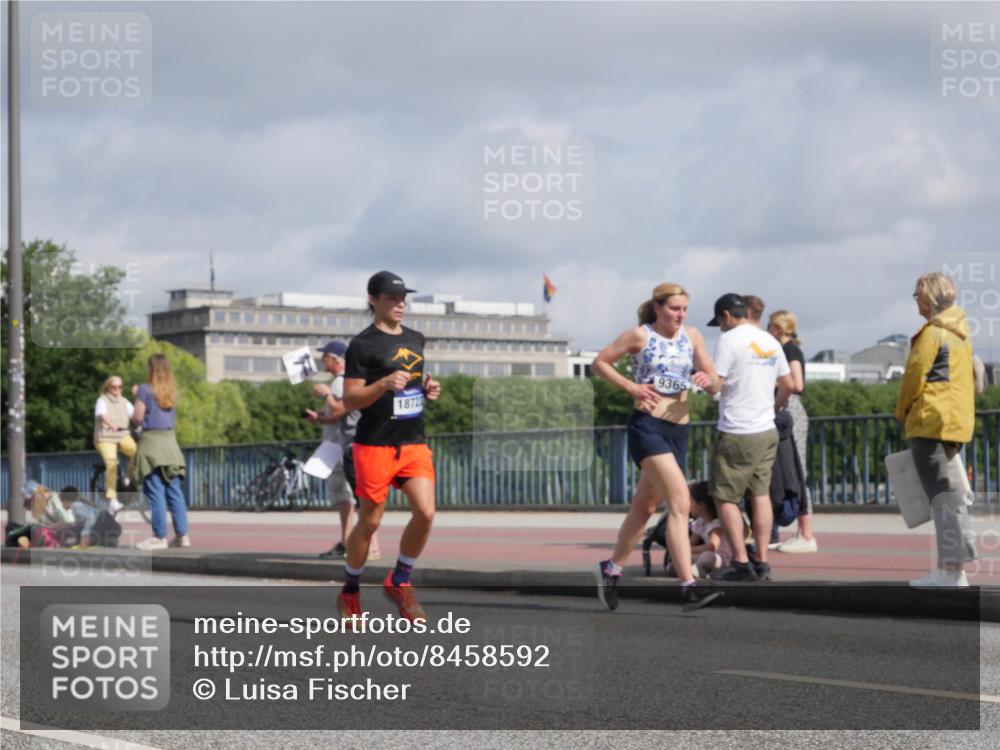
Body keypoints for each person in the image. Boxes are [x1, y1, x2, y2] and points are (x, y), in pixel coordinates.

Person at [592, 282, 723, 613]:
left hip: (678, 431)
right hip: (647, 428)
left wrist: (709, 382)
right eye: (674, 309)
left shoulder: (691, 336)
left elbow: (715, 379)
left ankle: (611, 569)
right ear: (657, 308)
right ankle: (687, 588)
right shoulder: (641, 336)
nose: (680, 315)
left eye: (684, 309)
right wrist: (632, 387)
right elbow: (600, 363)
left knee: (645, 508)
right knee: (680, 501)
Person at [338, 271, 441, 622]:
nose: (400, 304)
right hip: (375, 445)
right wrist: (382, 384)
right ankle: (350, 590)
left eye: (403, 298)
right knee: (370, 523)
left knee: (426, 513)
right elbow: (350, 400)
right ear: (373, 300)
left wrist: (427, 389)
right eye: (392, 298)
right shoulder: (362, 345)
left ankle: (400, 580)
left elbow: (412, 383)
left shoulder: (416, 338)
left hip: (413, 441)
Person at [701, 293, 795, 581]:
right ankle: (763, 561)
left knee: (725, 498)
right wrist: (771, 407)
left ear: (726, 316)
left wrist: (705, 381)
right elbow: (789, 384)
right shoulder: (769, 340)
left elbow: (716, 385)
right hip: (766, 429)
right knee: (760, 494)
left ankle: (741, 563)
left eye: (720, 322)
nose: (721, 328)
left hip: (737, 430)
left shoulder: (729, 340)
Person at [897, 273, 977, 588]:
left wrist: (902, 411)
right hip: (956, 422)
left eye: (917, 295)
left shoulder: (932, 334)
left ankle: (950, 570)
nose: (916, 301)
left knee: (941, 497)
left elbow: (914, 376)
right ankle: (955, 568)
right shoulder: (961, 333)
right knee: (951, 495)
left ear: (929, 298)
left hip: (930, 421)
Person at [307, 340, 381, 561]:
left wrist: (325, 394)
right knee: (358, 497)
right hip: (349, 444)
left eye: (324, 357)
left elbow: (341, 408)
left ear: (335, 359)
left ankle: (360, 544)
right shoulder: (349, 380)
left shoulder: (341, 382)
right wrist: (320, 417)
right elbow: (338, 414)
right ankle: (353, 542)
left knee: (349, 497)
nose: (322, 361)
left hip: (343, 446)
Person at [766, 310, 818, 553]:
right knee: (789, 470)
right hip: (786, 410)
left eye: (769, 326)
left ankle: (806, 533)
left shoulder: (790, 350)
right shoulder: (788, 349)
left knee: (797, 470)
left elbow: (797, 384)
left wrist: (770, 380)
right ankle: (798, 531)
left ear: (777, 327)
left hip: (790, 410)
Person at [132, 354, 191, 550]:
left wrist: (136, 397)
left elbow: (138, 417)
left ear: (151, 370)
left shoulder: (144, 390)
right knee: (174, 491)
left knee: (155, 491)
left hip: (151, 444)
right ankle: (182, 536)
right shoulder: (172, 392)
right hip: (170, 444)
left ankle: (159, 537)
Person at [665, 481, 735, 579]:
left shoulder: (716, 524)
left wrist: (689, 550)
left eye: (691, 501)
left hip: (723, 559)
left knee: (706, 556)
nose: (688, 505)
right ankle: (694, 570)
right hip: (707, 557)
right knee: (689, 557)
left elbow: (712, 546)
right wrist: (682, 551)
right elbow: (690, 543)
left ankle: (697, 570)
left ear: (701, 505)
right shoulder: (700, 523)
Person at [94, 375, 137, 513]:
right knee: (112, 463)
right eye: (114, 387)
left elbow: (135, 416)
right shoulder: (102, 401)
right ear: (108, 387)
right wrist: (111, 424)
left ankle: (127, 477)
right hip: (105, 437)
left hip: (121, 435)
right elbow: (102, 415)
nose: (117, 389)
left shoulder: (125, 402)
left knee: (138, 452)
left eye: (120, 386)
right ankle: (112, 499)